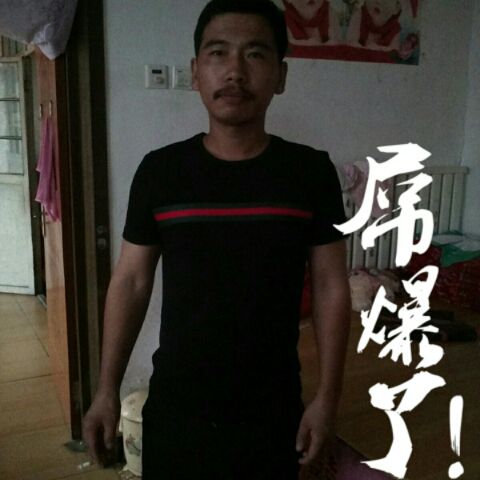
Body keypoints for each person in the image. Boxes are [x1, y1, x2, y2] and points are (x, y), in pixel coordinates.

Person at [82, 0, 351, 478]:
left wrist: (328, 399)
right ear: (195, 72)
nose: (235, 71)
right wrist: (106, 390)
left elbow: (331, 286)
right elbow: (131, 282)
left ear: (281, 75)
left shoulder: (309, 172)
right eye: (218, 53)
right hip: (177, 408)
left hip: (274, 411)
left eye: (255, 54)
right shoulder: (160, 172)